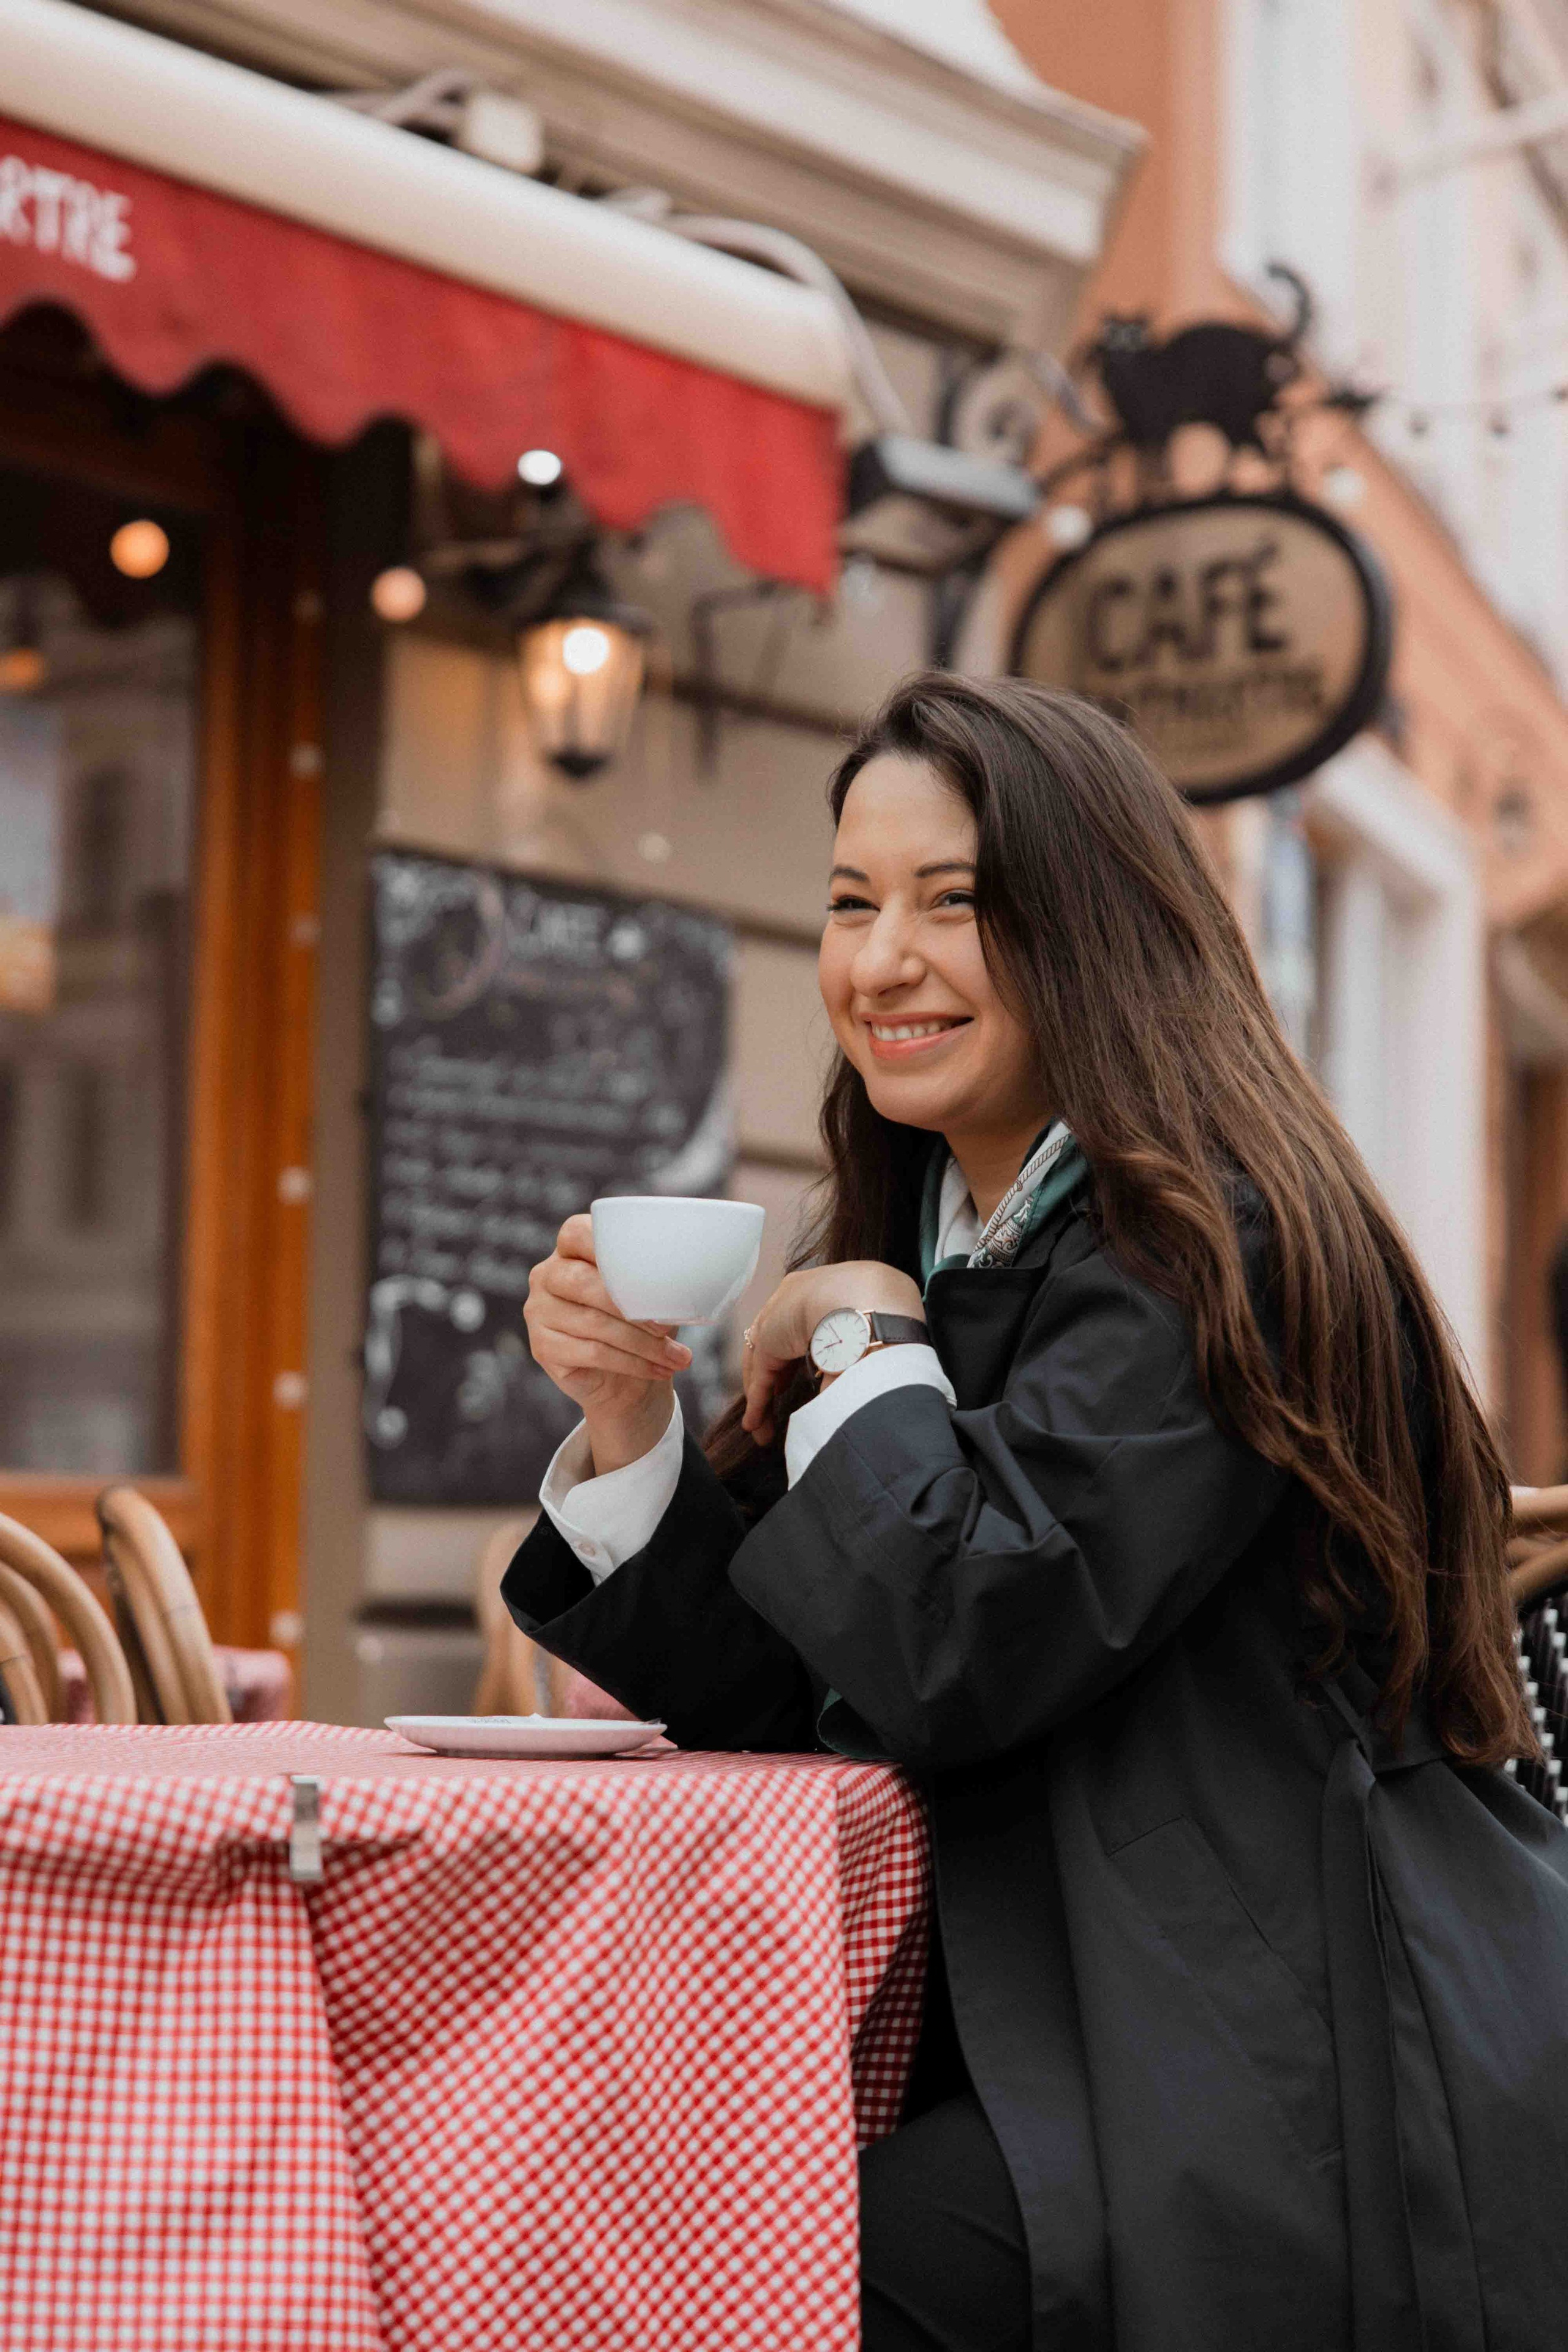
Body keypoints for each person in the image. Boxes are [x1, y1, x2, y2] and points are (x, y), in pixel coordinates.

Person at [505, 674, 1568, 2352]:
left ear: (1096, 926)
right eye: (853, 903)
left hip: (1277, 2049)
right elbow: (796, 1691)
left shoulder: (1217, 1248)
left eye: (957, 902)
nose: (879, 963)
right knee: (589, 2214)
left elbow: (960, 1644)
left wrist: (859, 1340)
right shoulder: (930, 1238)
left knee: (739, 2286)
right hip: (1031, 2014)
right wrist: (630, 1422)